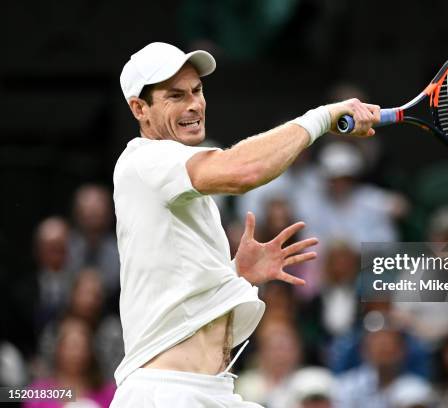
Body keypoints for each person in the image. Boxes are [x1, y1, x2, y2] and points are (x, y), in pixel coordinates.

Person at [110, 42, 379, 407]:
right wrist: (322, 117)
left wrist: (237, 275)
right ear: (139, 109)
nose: (194, 104)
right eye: (175, 95)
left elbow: (177, 292)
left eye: (197, 91)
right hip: (166, 393)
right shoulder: (148, 160)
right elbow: (244, 171)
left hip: (212, 391)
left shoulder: (172, 178)